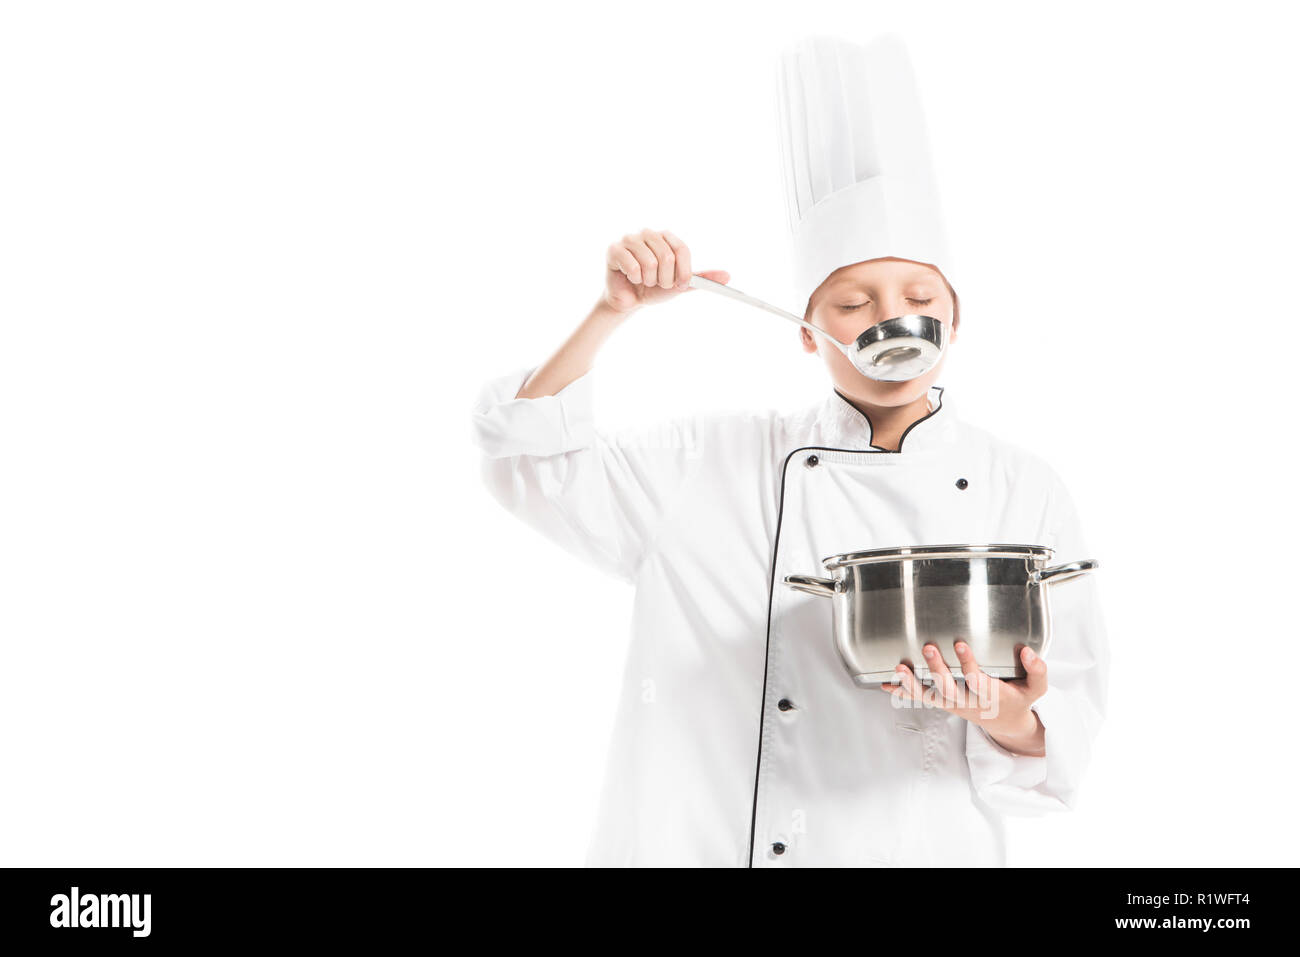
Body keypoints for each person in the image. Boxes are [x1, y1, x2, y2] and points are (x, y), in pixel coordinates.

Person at [471, 35, 1109, 867]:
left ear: (957, 318)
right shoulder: (712, 457)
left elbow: (1066, 732)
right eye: (852, 300)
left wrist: (1001, 713)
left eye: (920, 296)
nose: (892, 318)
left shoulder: (1019, 486)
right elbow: (531, 466)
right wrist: (610, 312)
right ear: (809, 333)